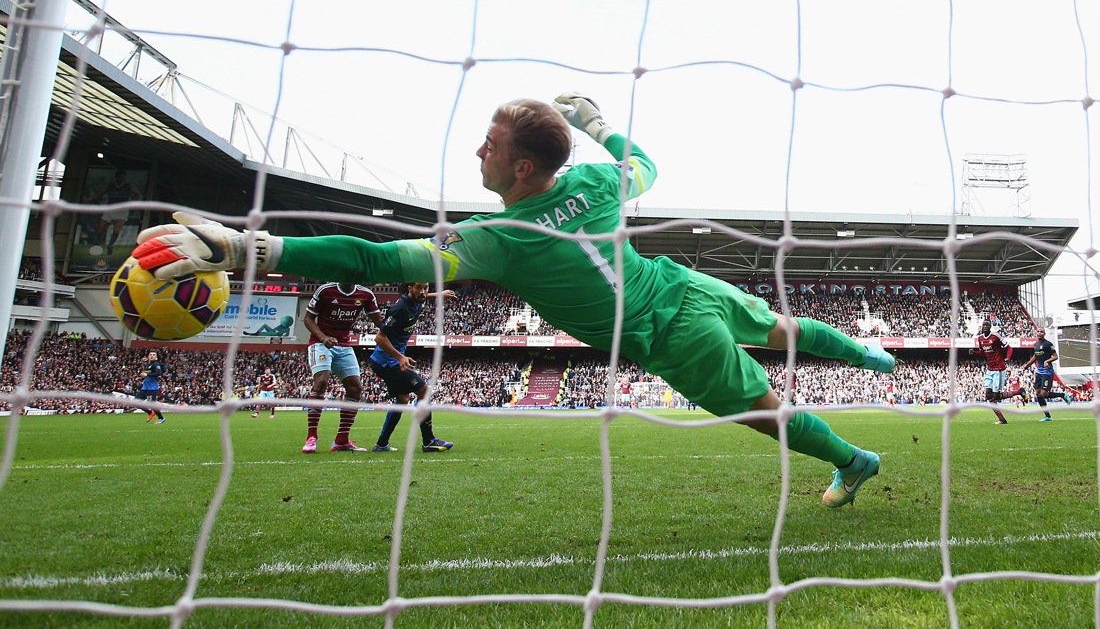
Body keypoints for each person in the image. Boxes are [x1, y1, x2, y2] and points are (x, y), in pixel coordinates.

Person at [132, 92, 896, 508]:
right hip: (680, 282)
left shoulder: (497, 236)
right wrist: (597, 124)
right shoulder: (595, 183)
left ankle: (852, 458)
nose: (478, 151)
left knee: (760, 410)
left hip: (667, 331)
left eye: (490, 145)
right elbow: (645, 165)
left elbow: (373, 255)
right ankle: (867, 354)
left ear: (523, 166)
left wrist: (244, 247)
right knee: (781, 325)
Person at [369, 282, 457, 453]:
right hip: (388, 362)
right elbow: (380, 338)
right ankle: (429, 441)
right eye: (418, 287)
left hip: (388, 361)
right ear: (409, 289)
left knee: (402, 400)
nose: (423, 291)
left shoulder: (419, 299)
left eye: (425, 287)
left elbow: (424, 296)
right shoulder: (400, 308)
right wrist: (400, 357)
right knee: (424, 391)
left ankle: (381, 444)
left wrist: (438, 294)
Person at [301, 282, 384, 452]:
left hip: (344, 344)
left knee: (355, 388)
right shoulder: (325, 291)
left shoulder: (365, 294)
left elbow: (380, 322)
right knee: (321, 382)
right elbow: (308, 319)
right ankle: (311, 437)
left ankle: (341, 441)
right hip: (320, 342)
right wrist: (323, 337)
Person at [1022, 327, 1070, 421]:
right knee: (1038, 394)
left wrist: (1047, 361)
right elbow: (1035, 356)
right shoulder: (1036, 345)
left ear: (1044, 334)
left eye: (1041, 332)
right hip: (1039, 372)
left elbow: (1055, 356)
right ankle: (1047, 416)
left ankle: (1063, 395)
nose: (1039, 333)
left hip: (1047, 372)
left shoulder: (1048, 344)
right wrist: (1027, 365)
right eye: (1038, 331)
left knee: (1043, 394)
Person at [972, 318, 1014, 424]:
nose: (985, 326)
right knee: (988, 395)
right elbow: (983, 353)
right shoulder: (980, 338)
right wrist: (974, 352)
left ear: (990, 327)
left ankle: (1019, 392)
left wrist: (1008, 358)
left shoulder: (996, 336)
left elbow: (1009, 348)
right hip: (990, 369)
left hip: (999, 369)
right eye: (983, 325)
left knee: (996, 396)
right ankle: (1002, 419)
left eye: (987, 325)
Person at [89, 170, 142, 255]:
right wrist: (90, 199)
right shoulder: (110, 186)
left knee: (116, 231)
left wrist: (136, 204)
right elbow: (98, 195)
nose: (121, 179)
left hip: (122, 211)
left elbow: (138, 195)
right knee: (100, 230)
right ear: (116, 177)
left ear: (124, 178)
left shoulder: (128, 186)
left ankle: (110, 246)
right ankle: (95, 247)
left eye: (122, 177)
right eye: (119, 177)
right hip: (110, 210)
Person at [138, 350, 167, 424]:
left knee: (151, 404)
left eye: (154, 355)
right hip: (145, 387)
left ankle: (161, 418)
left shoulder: (156, 364)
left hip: (152, 388)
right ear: (148, 356)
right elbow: (147, 374)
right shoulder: (148, 365)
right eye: (150, 355)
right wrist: (142, 376)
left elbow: (158, 373)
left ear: (156, 357)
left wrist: (147, 375)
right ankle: (150, 413)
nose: (152, 356)